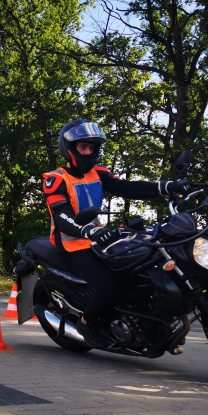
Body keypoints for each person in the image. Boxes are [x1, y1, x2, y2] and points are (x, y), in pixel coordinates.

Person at [42, 119, 189, 349]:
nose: (88, 152)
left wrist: (164, 187)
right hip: (72, 246)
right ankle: (86, 323)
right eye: (83, 147)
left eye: (92, 147)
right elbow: (61, 215)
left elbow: (128, 187)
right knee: (108, 285)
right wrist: (88, 230)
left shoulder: (97, 173)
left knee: (136, 272)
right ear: (69, 148)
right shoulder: (56, 179)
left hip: (98, 240)